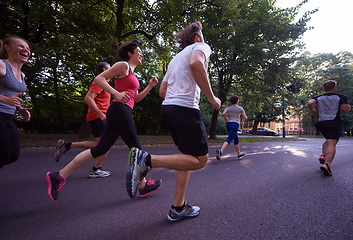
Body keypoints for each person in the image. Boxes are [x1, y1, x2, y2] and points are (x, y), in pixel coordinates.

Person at [125, 21, 221, 223]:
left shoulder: (175, 59)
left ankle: (178, 207)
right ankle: (146, 160)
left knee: (187, 157)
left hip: (169, 109)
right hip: (185, 110)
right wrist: (212, 99)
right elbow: (196, 64)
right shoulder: (201, 47)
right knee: (200, 160)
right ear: (197, 37)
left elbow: (162, 91)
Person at [46, 40, 162, 201]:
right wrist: (115, 93)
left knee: (100, 149)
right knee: (137, 150)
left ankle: (58, 176)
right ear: (130, 53)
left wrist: (149, 87)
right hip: (119, 110)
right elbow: (99, 78)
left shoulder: (132, 74)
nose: (142, 54)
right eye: (139, 51)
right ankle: (142, 185)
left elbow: (135, 99)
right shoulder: (123, 66)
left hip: (121, 111)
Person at [54, 62, 112, 178]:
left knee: (98, 144)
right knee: (105, 145)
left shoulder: (104, 83)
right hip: (98, 117)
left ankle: (67, 145)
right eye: (110, 68)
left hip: (98, 116)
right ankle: (96, 169)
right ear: (104, 69)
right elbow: (88, 98)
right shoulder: (100, 81)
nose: (113, 71)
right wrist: (100, 114)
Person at [0, 36, 31, 179]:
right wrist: (5, 100)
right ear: (7, 47)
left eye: (27, 48)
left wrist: (20, 108)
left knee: (13, 155)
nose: (25, 50)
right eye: (20, 46)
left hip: (7, 116)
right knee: (3, 152)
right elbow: (7, 98)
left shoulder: (22, 74)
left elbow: (12, 96)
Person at [307, 80, 350, 176]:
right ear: (335, 87)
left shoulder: (319, 97)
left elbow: (310, 103)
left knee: (328, 141)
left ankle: (323, 156)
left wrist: (313, 111)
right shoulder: (341, 96)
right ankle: (326, 165)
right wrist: (348, 107)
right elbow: (345, 109)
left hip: (321, 123)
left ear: (324, 89)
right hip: (333, 122)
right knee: (331, 143)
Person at [216, 95, 247, 161]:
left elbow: (223, 113)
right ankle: (221, 151)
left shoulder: (228, 108)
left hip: (229, 124)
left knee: (236, 139)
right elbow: (245, 117)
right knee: (229, 139)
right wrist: (243, 119)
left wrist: (226, 118)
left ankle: (239, 154)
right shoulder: (240, 108)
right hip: (235, 124)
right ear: (237, 101)